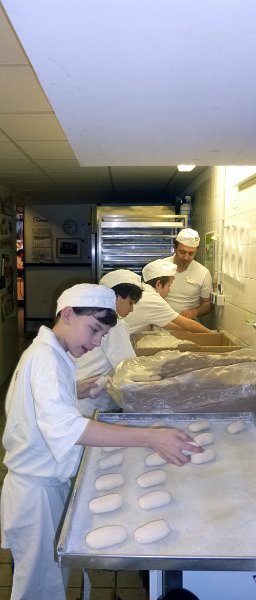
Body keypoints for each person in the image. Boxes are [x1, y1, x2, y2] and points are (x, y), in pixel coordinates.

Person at [0, 283, 202, 600]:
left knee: (50, 580)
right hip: (35, 493)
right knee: (38, 588)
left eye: (102, 336)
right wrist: (150, 437)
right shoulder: (46, 359)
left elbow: (39, 403)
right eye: (93, 330)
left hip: (45, 483)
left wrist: (76, 389)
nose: (95, 343)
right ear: (67, 314)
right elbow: (68, 428)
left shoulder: (52, 351)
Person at [75, 269, 143, 416]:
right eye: (130, 303)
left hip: (76, 395)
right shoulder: (115, 323)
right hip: (93, 403)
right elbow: (127, 367)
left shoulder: (90, 314)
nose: (131, 310)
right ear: (115, 297)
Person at [124, 259, 211, 335]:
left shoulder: (144, 290)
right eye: (169, 285)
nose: (169, 290)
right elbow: (188, 324)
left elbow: (168, 324)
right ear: (158, 284)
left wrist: (190, 331)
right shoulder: (153, 300)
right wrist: (213, 336)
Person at [164, 228, 213, 320]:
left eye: (191, 254)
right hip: (162, 325)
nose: (186, 258)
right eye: (182, 252)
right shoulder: (161, 267)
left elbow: (207, 303)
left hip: (188, 326)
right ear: (175, 248)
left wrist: (194, 312)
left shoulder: (203, 273)